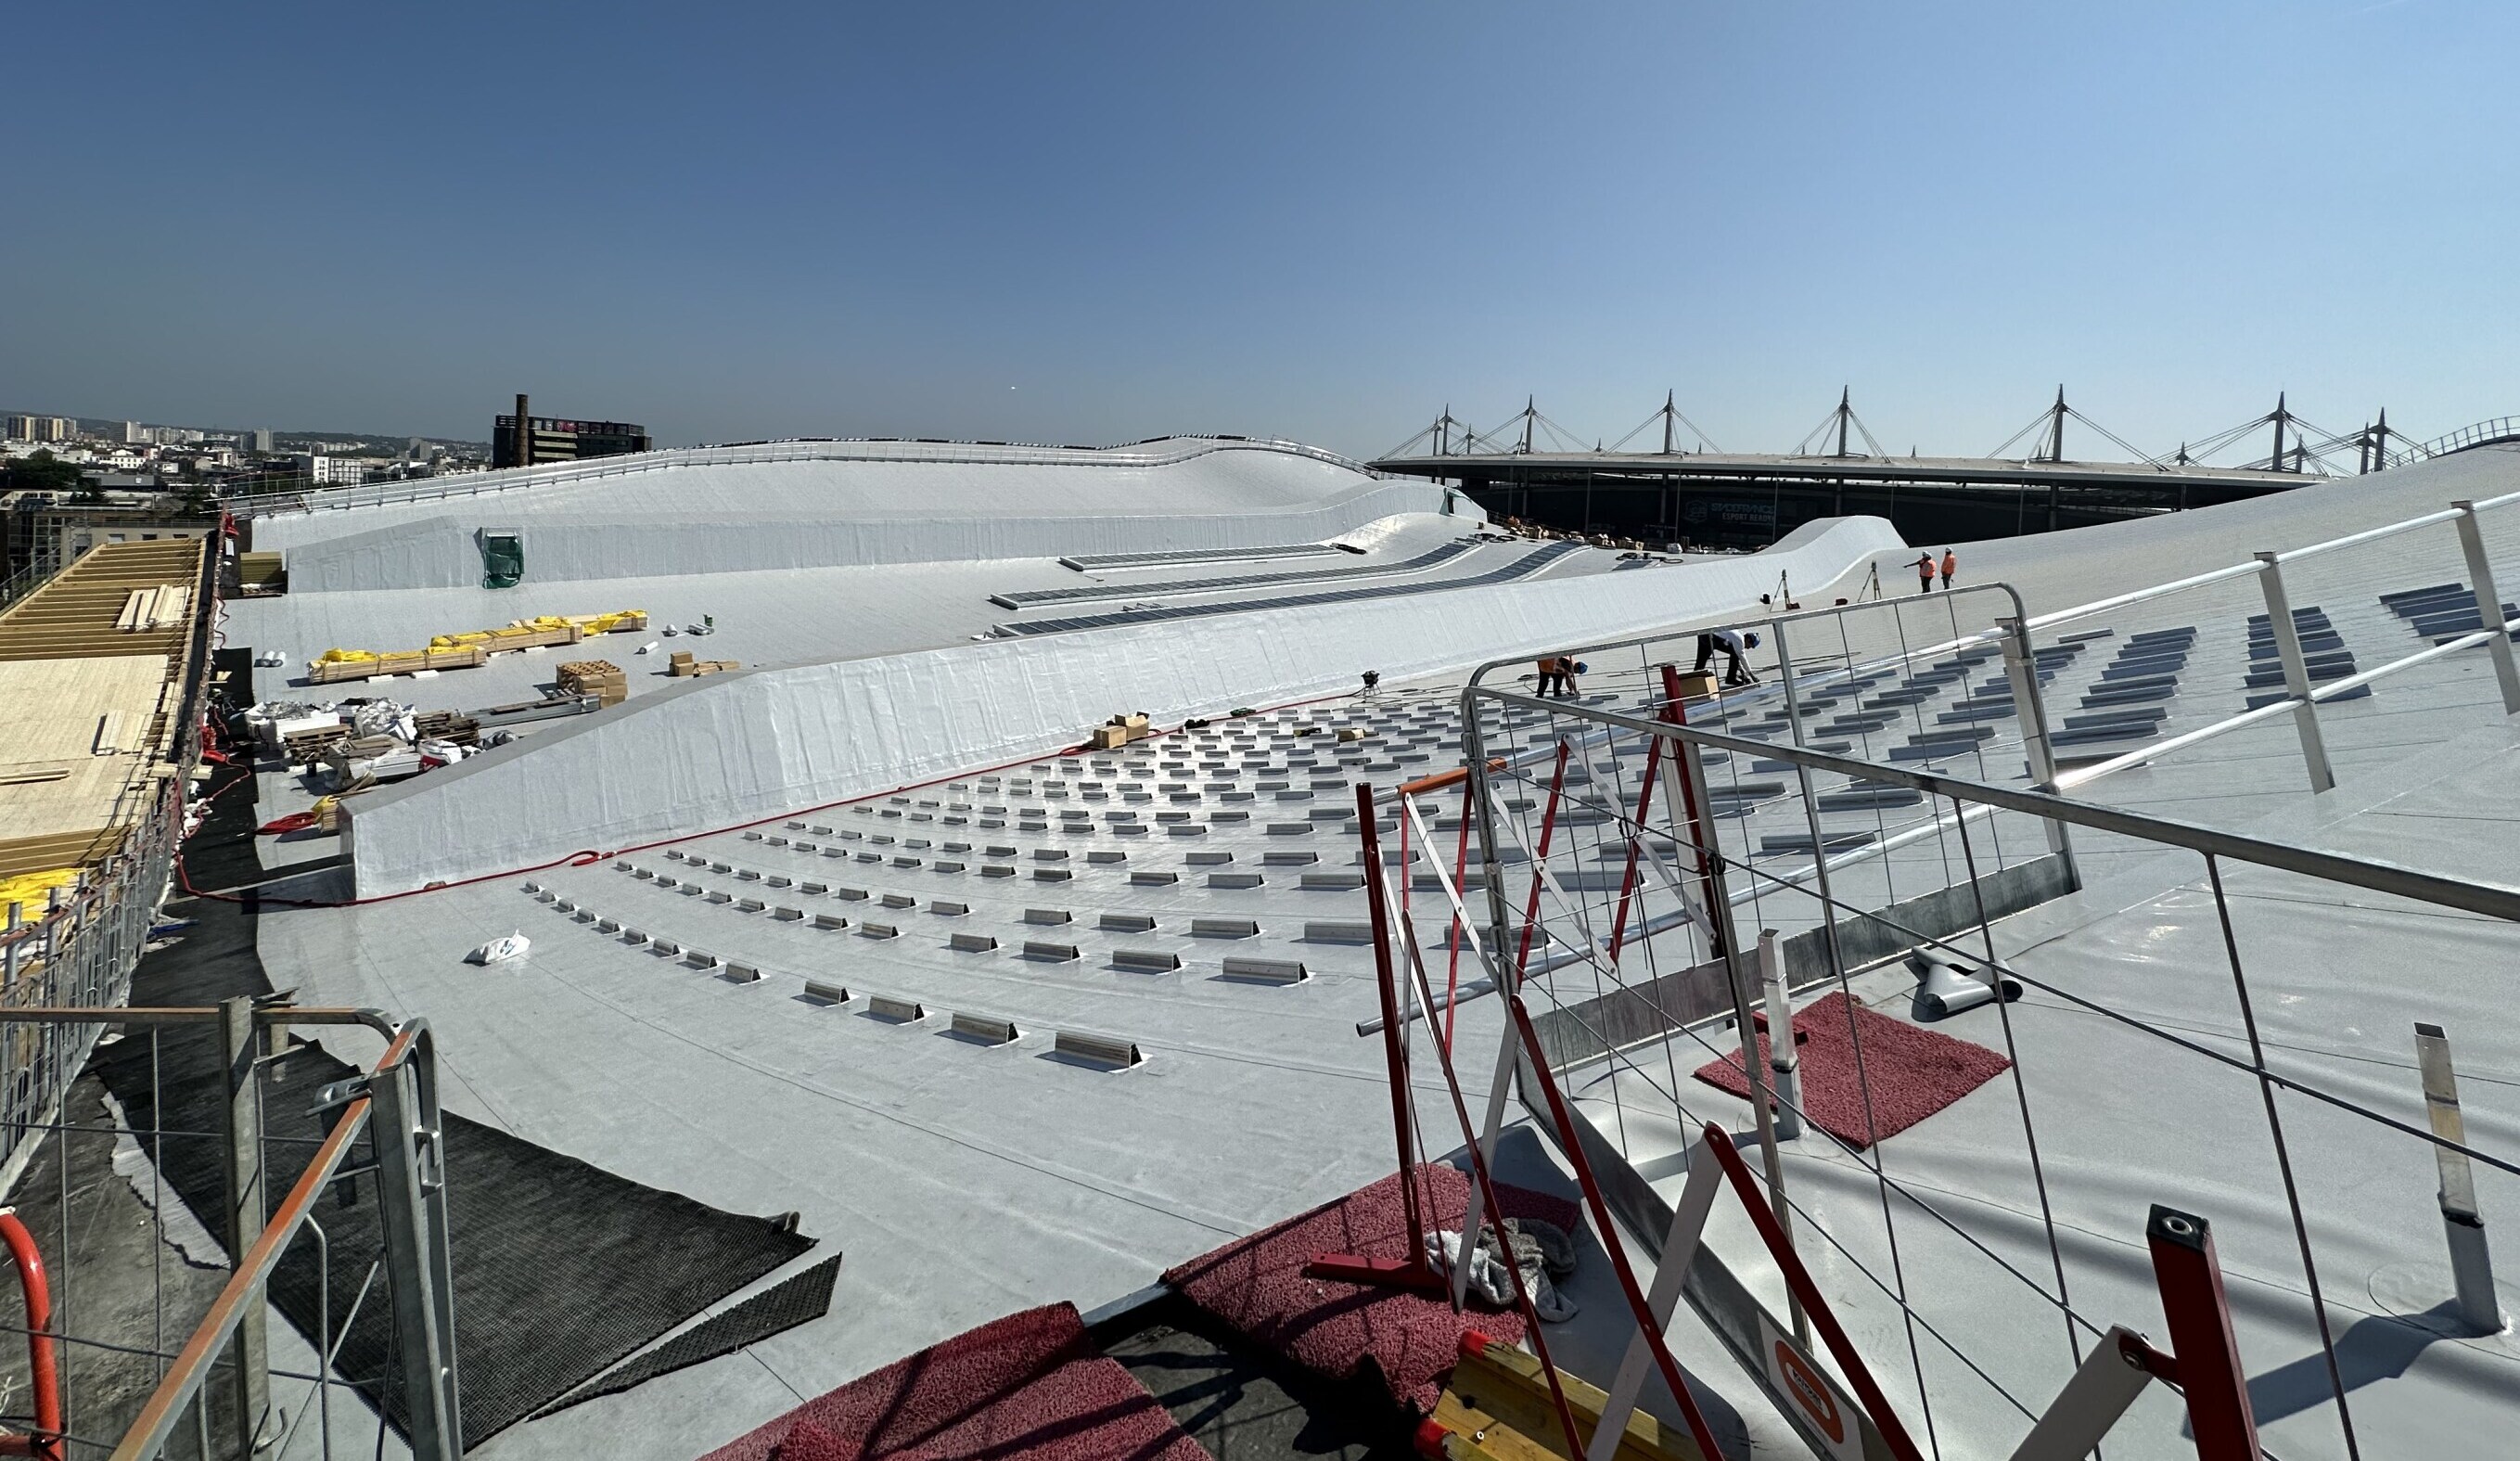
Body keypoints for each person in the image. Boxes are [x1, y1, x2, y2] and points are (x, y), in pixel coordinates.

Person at [1694, 628, 1761, 686]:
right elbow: (1742, 657)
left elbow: (1738, 657)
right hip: (1711, 637)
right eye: (1750, 646)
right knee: (1735, 653)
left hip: (1703, 634)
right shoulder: (1740, 640)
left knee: (1700, 662)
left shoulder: (1739, 635)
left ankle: (1693, 683)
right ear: (1748, 640)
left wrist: (1743, 673)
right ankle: (1731, 679)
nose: (1749, 648)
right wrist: (1752, 675)